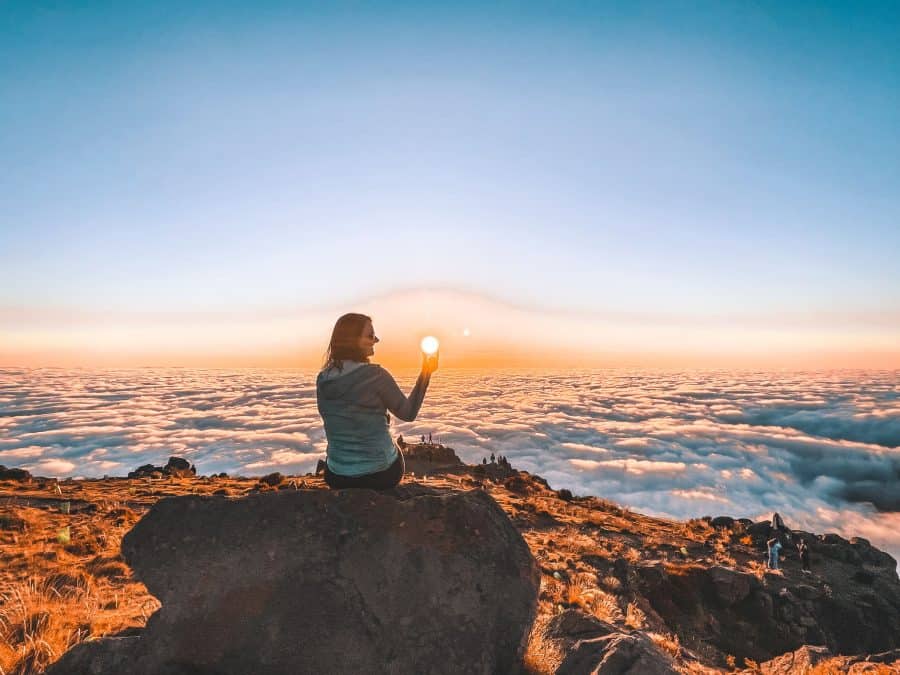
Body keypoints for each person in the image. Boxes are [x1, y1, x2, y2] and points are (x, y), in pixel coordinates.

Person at [316, 313, 439, 490]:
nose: (377, 340)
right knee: (393, 446)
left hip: (336, 477)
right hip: (380, 476)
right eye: (371, 336)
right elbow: (408, 413)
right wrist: (426, 373)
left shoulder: (322, 379)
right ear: (354, 341)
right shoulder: (376, 376)